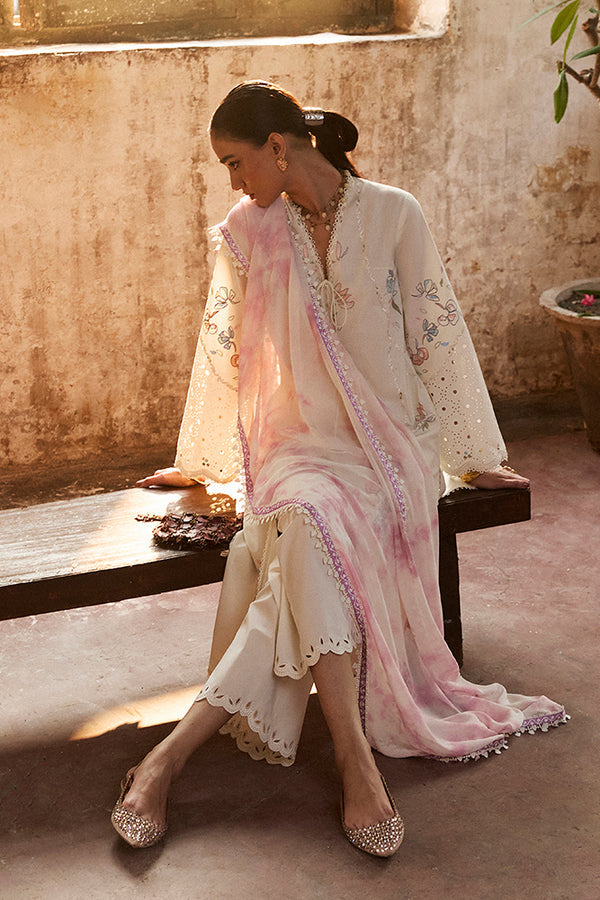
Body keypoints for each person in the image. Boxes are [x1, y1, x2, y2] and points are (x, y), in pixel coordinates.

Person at [111, 82, 567, 857]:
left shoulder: (393, 215)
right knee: (308, 517)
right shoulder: (249, 231)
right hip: (297, 448)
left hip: (388, 452)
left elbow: (437, 334)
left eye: (236, 162)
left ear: (278, 148)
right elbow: (224, 350)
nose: (233, 182)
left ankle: (165, 759)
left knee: (304, 546)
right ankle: (357, 764)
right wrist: (199, 462)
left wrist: (474, 458)